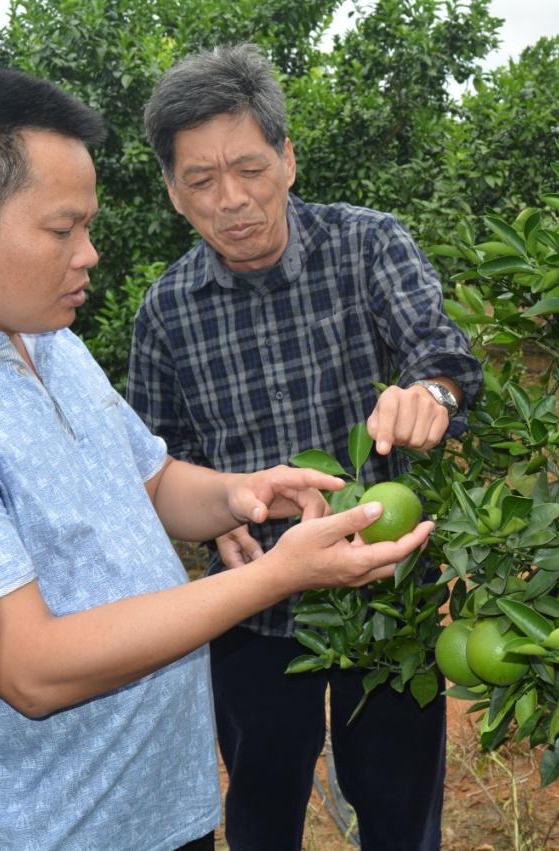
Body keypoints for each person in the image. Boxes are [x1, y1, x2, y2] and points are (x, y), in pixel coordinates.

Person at [0, 69, 432, 851]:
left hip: (164, 805)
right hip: (56, 828)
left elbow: (151, 481)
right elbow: (32, 669)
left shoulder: (49, 336)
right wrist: (277, 576)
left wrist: (246, 494)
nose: (90, 253)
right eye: (62, 229)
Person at [128, 43, 483, 851]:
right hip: (254, 608)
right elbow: (157, 459)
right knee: (261, 806)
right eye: (201, 181)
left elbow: (445, 355)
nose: (232, 200)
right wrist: (210, 514)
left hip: (385, 595)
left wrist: (428, 395)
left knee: (398, 815)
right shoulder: (166, 312)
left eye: (250, 168)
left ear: (288, 160)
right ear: (173, 194)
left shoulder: (368, 247)